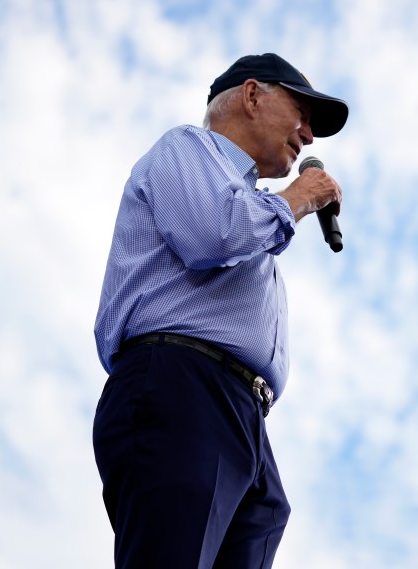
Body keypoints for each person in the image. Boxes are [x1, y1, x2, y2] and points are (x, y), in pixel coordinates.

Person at [91, 53, 349, 568]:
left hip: (241, 415)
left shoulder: (252, 205)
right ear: (252, 96)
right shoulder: (187, 149)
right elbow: (213, 233)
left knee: (264, 517)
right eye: (302, 113)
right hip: (182, 386)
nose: (309, 136)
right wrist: (296, 198)